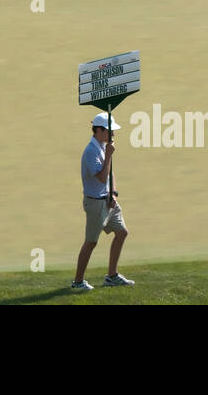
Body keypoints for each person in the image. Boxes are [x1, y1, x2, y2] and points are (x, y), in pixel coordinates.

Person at [71, 113, 133, 290]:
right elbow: (101, 177)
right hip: (95, 203)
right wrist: (108, 156)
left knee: (122, 232)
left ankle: (112, 276)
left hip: (108, 200)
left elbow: (110, 174)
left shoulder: (103, 147)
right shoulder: (91, 151)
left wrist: (113, 193)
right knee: (91, 242)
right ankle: (77, 282)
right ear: (98, 130)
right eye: (109, 130)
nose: (113, 134)